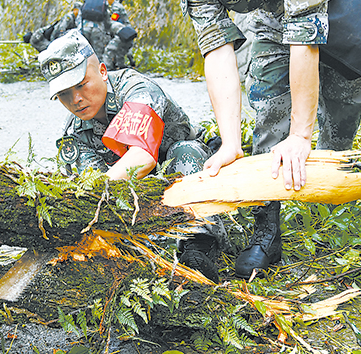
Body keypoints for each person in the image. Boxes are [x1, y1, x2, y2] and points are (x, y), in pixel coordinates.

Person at [136, 0, 361, 278]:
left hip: (338, 12)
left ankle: (336, 203)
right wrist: (230, 142)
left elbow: (306, 31)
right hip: (273, 22)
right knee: (267, 110)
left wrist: (301, 135)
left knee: (341, 114)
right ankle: (268, 228)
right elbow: (216, 52)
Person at [38, 29, 224, 281]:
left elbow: (142, 157)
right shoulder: (72, 135)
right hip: (134, 191)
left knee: (185, 153)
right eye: (64, 94)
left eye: (81, 85)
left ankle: (199, 246)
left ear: (103, 71)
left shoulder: (135, 89)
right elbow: (96, 195)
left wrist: (95, 192)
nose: (76, 100)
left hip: (182, 167)